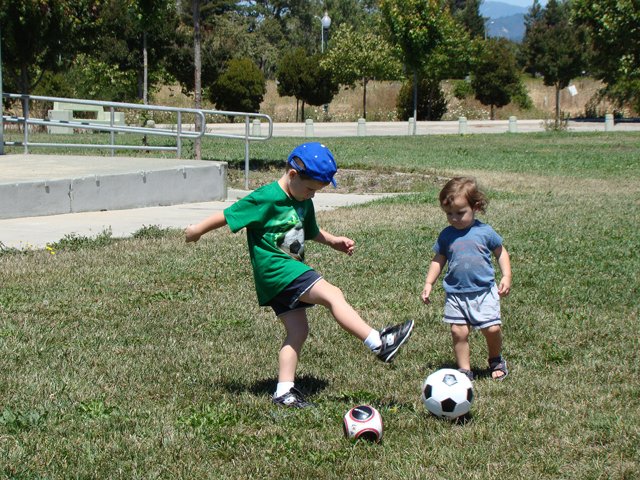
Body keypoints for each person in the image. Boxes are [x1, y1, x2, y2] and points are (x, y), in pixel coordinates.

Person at [186, 142, 414, 407]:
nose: (312, 196)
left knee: (298, 331)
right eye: (310, 189)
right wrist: (197, 230)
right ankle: (379, 343)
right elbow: (228, 215)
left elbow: (311, 230)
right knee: (333, 294)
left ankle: (283, 392)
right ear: (292, 175)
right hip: (278, 270)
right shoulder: (266, 197)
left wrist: (333, 241)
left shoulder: (302, 199)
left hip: (280, 278)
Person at [421, 177, 511, 381]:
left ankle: (495, 359)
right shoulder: (447, 235)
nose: (454, 218)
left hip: (484, 291)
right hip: (456, 293)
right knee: (458, 332)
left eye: (460, 213)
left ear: (475, 207)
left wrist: (506, 275)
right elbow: (438, 260)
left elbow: (500, 252)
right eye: (449, 214)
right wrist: (429, 283)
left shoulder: (485, 232)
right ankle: (464, 370)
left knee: (492, 329)